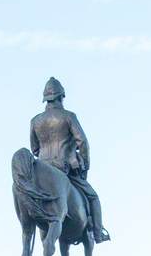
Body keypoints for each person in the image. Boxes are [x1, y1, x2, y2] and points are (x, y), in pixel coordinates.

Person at [30, 77, 109, 244]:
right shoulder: (69, 116)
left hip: (42, 170)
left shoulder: (35, 121)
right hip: (65, 168)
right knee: (93, 197)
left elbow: (35, 149)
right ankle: (97, 233)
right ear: (61, 97)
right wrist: (84, 165)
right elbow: (83, 143)